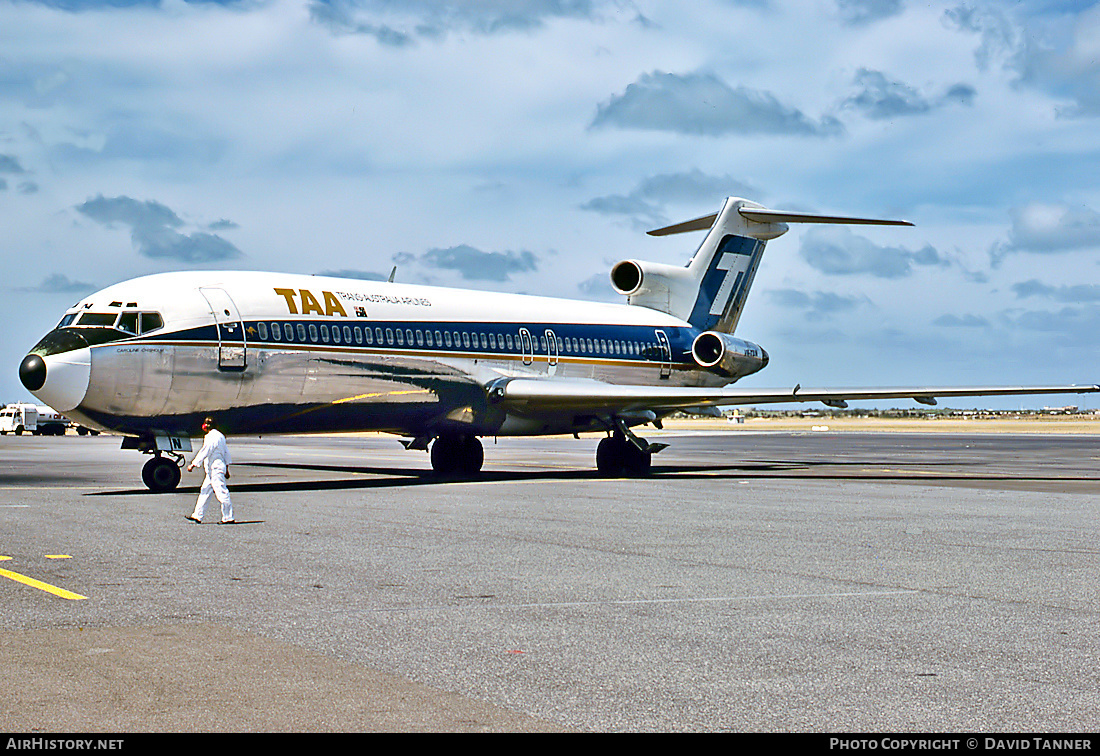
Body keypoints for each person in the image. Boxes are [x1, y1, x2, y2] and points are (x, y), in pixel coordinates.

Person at [186, 416, 234, 524]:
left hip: (215, 469)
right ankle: (197, 516)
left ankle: (228, 517)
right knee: (204, 491)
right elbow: (226, 453)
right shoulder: (221, 436)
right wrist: (227, 468)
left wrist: (193, 464)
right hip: (213, 469)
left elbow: (205, 451)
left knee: (222, 492)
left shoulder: (211, 437)